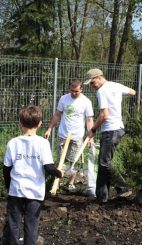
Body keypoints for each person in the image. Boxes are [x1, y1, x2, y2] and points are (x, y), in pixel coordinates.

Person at [2, 105, 64, 245]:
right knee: (31, 224)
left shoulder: (13, 143)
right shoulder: (43, 143)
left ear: (20, 124)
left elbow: (6, 169)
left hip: (16, 190)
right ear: (40, 124)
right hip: (35, 192)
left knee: (13, 224)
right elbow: (48, 167)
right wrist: (59, 173)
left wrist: (8, 187)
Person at [85, 68, 136, 203]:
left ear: (99, 77)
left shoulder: (101, 91)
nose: (92, 86)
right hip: (119, 128)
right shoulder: (115, 85)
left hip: (110, 130)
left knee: (104, 162)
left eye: (92, 82)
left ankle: (123, 186)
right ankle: (102, 197)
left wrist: (93, 129)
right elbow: (133, 92)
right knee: (103, 163)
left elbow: (104, 115)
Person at [44, 80, 94, 192]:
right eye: (72, 91)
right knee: (60, 160)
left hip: (77, 136)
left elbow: (89, 120)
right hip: (63, 134)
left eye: (76, 91)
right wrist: (49, 129)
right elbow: (57, 115)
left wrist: (90, 137)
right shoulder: (64, 99)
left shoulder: (86, 102)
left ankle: (70, 184)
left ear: (81, 89)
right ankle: (54, 184)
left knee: (74, 161)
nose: (73, 93)